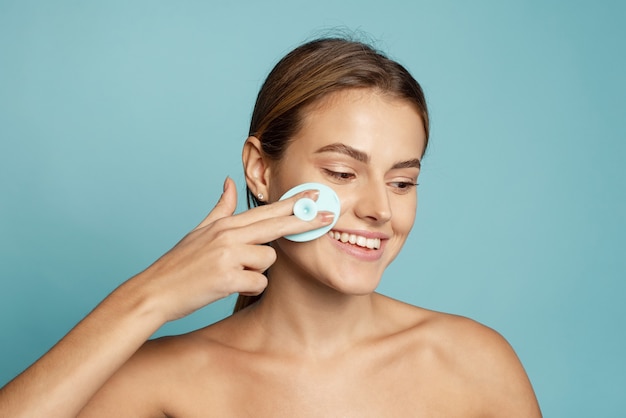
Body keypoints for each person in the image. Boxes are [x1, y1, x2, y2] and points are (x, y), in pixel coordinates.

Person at [0, 37, 542, 417]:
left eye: (402, 182)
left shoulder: (473, 361)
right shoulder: (164, 380)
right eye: (342, 172)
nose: (380, 208)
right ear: (261, 169)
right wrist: (151, 296)